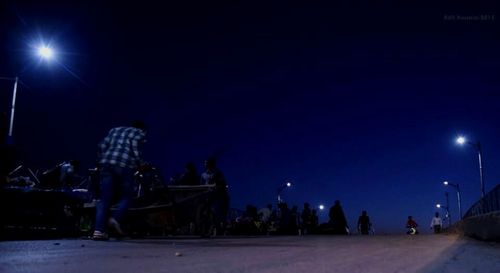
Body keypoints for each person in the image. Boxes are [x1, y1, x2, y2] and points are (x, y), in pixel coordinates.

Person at [92, 120, 147, 240]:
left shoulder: (114, 130)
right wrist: (141, 164)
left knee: (104, 198)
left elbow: (101, 146)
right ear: (142, 130)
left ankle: (98, 231)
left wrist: (101, 160)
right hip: (124, 165)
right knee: (127, 196)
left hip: (106, 164)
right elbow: (134, 148)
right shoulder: (139, 133)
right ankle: (115, 219)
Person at [200, 157, 229, 235]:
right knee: (207, 214)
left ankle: (219, 230)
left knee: (216, 213)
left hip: (216, 196)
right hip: (207, 196)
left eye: (207, 163)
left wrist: (217, 187)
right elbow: (201, 185)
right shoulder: (203, 175)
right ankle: (208, 230)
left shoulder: (217, 173)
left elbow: (222, 183)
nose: (205, 164)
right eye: (205, 163)